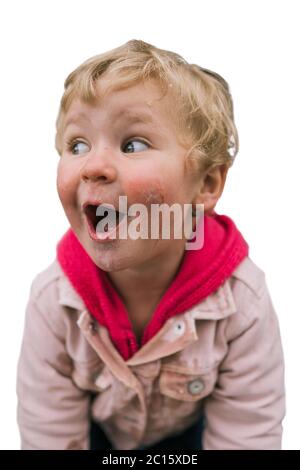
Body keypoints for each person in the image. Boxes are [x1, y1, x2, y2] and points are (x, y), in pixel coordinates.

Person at [16, 39, 286, 450]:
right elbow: (49, 433)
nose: (94, 166)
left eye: (133, 145)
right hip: (97, 436)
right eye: (78, 145)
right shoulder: (53, 301)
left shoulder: (241, 303)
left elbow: (247, 433)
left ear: (207, 184)